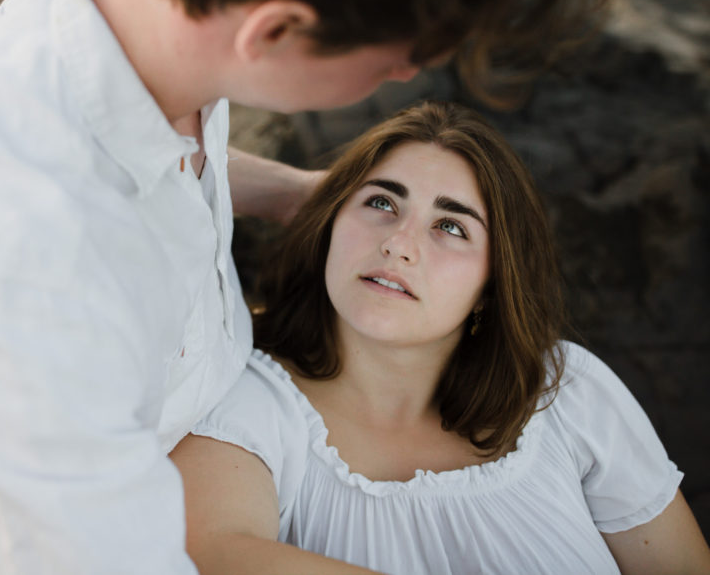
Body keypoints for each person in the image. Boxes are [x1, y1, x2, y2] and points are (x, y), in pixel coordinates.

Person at [0, 0, 621, 573]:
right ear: (275, 31)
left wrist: (292, 193)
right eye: (399, 61)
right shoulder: (12, 256)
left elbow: (130, 154)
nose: (399, 83)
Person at [170, 101, 710, 575]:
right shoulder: (243, 395)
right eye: (381, 202)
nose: (399, 245)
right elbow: (209, 554)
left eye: (450, 226)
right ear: (330, 224)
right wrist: (297, 191)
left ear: (491, 284)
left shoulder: (566, 389)